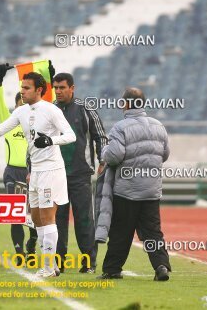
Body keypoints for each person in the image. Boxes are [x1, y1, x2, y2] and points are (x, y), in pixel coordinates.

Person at [0, 71, 76, 278]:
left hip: (51, 170)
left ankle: (48, 268)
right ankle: (50, 266)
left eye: (26, 88)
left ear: (39, 90)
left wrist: (51, 140)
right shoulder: (21, 111)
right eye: (21, 87)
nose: (22, 91)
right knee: (38, 218)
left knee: (48, 218)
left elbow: (70, 135)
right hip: (36, 171)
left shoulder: (51, 110)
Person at [99, 87, 172, 281]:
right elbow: (164, 154)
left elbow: (114, 156)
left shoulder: (120, 127)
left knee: (121, 232)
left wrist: (104, 150)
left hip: (127, 190)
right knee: (153, 232)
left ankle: (113, 269)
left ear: (127, 103)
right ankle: (161, 266)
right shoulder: (159, 126)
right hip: (152, 190)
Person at [52, 72, 108, 273]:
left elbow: (100, 136)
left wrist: (103, 159)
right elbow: (35, 141)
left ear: (72, 88)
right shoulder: (49, 109)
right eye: (56, 87)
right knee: (57, 220)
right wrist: (31, 167)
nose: (58, 91)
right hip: (55, 174)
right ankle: (58, 263)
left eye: (62, 87)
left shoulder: (86, 109)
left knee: (84, 219)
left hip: (81, 174)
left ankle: (88, 263)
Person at [0, 64, 37, 266]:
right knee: (15, 215)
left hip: (34, 172)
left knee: (36, 214)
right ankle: (19, 251)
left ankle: (33, 244)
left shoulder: (37, 124)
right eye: (19, 105)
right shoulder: (9, 121)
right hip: (12, 173)